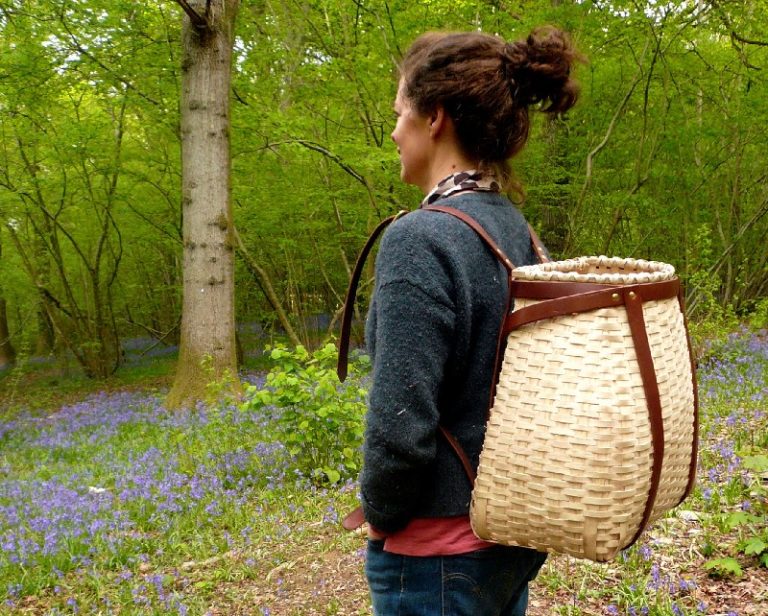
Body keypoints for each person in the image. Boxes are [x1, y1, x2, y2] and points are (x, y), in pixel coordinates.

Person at [358, 27, 582, 615]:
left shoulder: (421, 238)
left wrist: (381, 519)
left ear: (434, 118)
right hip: (508, 533)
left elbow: (399, 425)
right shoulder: (519, 231)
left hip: (436, 556)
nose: (393, 130)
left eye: (399, 111)